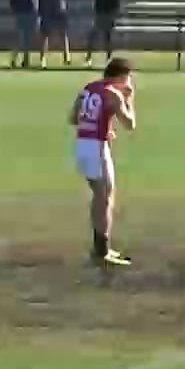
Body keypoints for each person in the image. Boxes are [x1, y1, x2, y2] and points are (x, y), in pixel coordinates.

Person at [71, 58, 137, 267]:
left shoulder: (89, 88)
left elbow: (74, 118)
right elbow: (130, 124)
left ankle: (100, 246)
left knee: (100, 194)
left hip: (82, 144)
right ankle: (102, 250)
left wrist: (102, 126)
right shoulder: (114, 94)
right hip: (96, 148)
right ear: (121, 76)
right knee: (105, 196)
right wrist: (129, 99)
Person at [39, 0, 73, 69]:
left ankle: (66, 57)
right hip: (47, 9)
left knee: (63, 34)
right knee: (44, 35)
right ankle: (42, 58)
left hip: (60, 9)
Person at [86, 0, 122, 64]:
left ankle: (108, 58)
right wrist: (97, 13)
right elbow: (97, 1)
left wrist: (114, 15)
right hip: (101, 15)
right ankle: (88, 58)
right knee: (93, 37)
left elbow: (116, 3)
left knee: (108, 38)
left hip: (109, 15)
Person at [9, 0, 41, 69]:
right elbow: (13, 1)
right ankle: (14, 60)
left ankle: (26, 60)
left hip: (33, 14)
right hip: (22, 14)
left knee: (28, 39)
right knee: (19, 38)